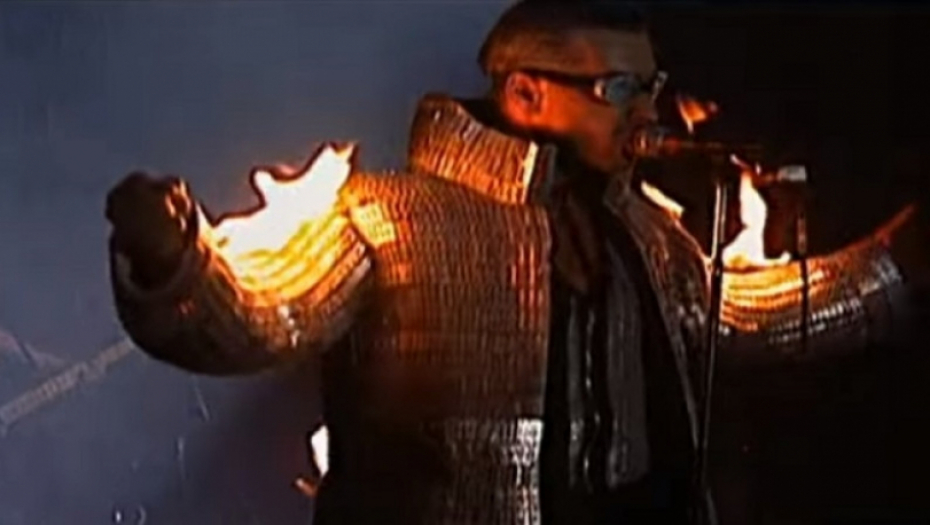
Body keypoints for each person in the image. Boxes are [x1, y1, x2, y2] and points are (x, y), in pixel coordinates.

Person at [104, 1, 914, 523]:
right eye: (621, 87)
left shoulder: (644, 228)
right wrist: (172, 258)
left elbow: (745, 318)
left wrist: (894, 264)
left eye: (649, 83)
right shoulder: (391, 216)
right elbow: (259, 320)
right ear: (527, 93)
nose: (646, 107)